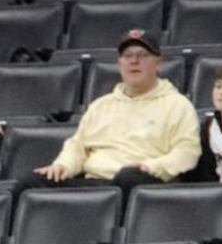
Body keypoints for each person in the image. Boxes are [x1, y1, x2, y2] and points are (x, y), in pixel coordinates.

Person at [25, 32, 200, 201]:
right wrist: (63, 165)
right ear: (119, 64)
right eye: (127, 55)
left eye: (143, 55)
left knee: (128, 177)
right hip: (94, 182)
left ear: (158, 63)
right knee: (31, 182)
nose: (134, 61)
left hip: (141, 182)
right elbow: (77, 147)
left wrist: (151, 167)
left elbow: (187, 152)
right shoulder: (100, 105)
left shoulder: (178, 105)